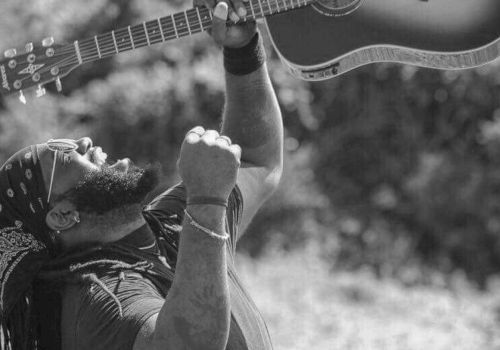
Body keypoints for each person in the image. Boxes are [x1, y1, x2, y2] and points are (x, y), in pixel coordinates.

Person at [0, 1, 282, 349]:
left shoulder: (173, 225)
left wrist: (242, 51)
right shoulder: (100, 297)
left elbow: (254, 157)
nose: (84, 141)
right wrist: (208, 201)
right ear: (62, 215)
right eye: (61, 153)